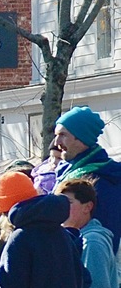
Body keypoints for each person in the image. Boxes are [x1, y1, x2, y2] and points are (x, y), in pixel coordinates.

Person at [51, 105, 121, 246]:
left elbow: (106, 238)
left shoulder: (102, 180)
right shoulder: (67, 171)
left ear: (82, 138)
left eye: (63, 135)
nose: (56, 143)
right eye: (56, 135)